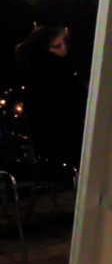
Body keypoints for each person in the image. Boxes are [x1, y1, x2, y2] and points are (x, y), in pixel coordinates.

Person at [15, 25, 86, 168]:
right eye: (58, 46)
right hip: (65, 145)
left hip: (51, 148)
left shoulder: (32, 76)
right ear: (44, 50)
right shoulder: (56, 75)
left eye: (64, 44)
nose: (64, 49)